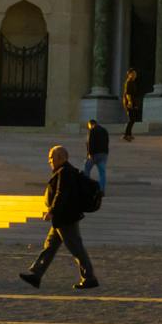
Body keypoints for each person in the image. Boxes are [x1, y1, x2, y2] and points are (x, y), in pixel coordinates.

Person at [19, 145, 100, 290]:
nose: (49, 161)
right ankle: (36, 275)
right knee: (50, 246)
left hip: (65, 218)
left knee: (76, 248)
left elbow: (61, 194)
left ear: (60, 158)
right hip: (62, 218)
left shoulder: (65, 172)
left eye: (51, 157)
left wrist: (52, 211)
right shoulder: (64, 171)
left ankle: (89, 278)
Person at [82, 119, 110, 195]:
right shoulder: (104, 130)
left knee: (86, 169)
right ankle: (101, 190)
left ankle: (86, 188)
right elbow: (107, 141)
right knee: (102, 173)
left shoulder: (92, 130)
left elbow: (90, 142)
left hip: (94, 154)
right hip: (104, 154)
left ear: (90, 124)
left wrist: (89, 153)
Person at [121, 68, 140, 142]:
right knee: (131, 119)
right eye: (134, 73)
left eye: (135, 74)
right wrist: (129, 102)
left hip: (132, 101)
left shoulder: (132, 82)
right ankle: (126, 135)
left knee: (133, 119)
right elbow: (128, 93)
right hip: (129, 102)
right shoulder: (129, 82)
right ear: (129, 74)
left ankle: (129, 134)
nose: (135, 75)